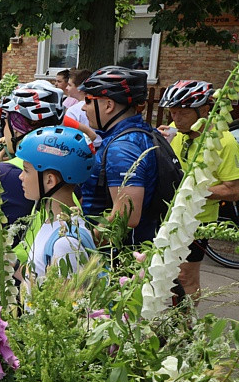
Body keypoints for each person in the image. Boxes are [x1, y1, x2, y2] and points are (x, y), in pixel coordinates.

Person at [159, 80, 239, 297]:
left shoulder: (225, 141)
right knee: (164, 274)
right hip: (167, 215)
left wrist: (194, 191)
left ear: (204, 110)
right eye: (172, 113)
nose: (175, 119)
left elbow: (234, 190)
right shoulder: (174, 131)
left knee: (185, 278)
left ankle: (185, 328)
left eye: (182, 113)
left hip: (198, 219)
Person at [0, 81, 65, 227]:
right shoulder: (67, 166)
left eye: (6, 122)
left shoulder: (5, 172)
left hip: (10, 249)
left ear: (17, 128)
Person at [79, 65, 159, 245]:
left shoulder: (122, 148)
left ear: (108, 105)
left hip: (114, 257)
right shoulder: (140, 133)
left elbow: (125, 218)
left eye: (89, 100)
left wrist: (79, 244)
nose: (83, 108)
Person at [14, 126, 96, 282]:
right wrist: (9, 263)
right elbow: (39, 279)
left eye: (26, 170)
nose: (20, 176)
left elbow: (65, 302)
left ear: (49, 180)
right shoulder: (54, 222)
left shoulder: (65, 243)